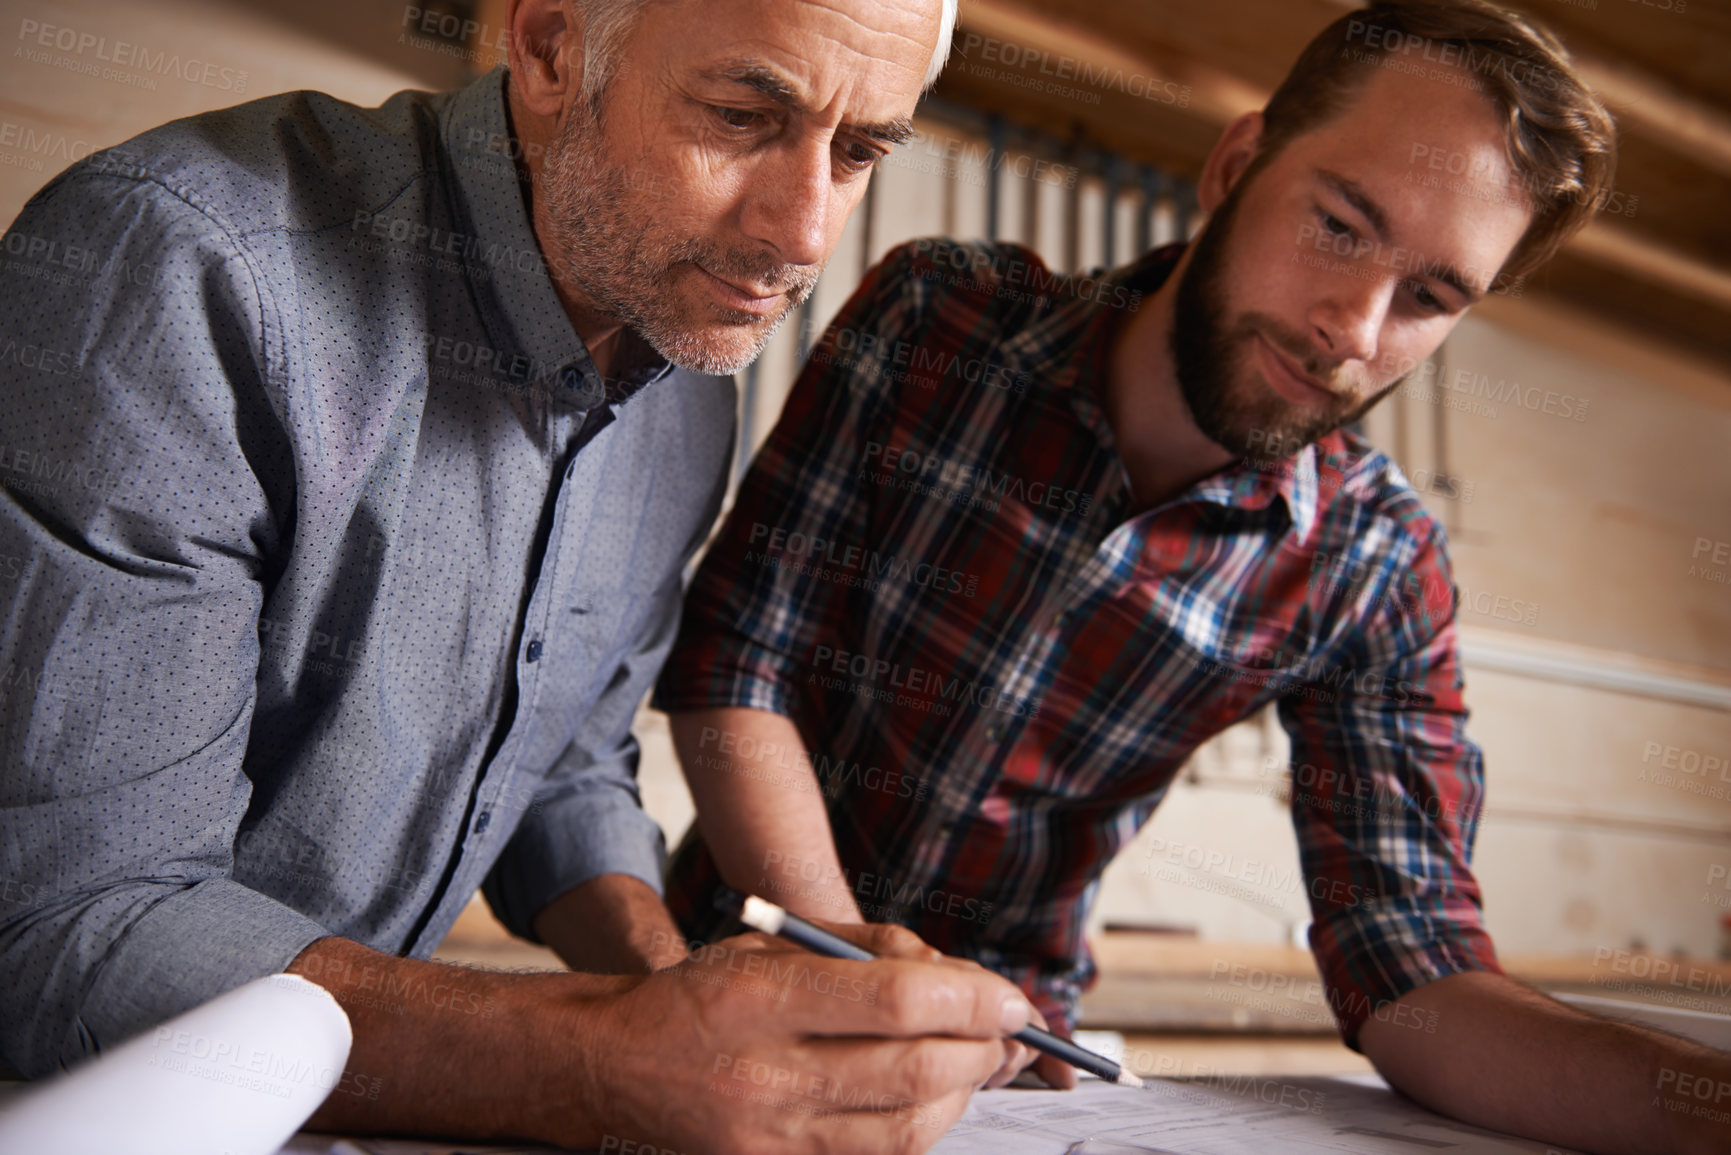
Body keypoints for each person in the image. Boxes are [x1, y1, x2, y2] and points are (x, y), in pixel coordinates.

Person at [655, 2, 1731, 1151]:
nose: (1352, 330)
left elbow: (1411, 963)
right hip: (720, 974)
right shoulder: (939, 318)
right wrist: (842, 963)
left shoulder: (1373, 564)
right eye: (1337, 224)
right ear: (1236, 165)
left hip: (1008, 1068)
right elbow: (737, 664)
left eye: (1430, 298)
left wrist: (1702, 1107)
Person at [0, 0, 1047, 1151]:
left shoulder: (687, 389)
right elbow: (67, 924)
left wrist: (674, 993)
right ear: (550, 47)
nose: (804, 233)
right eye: (746, 116)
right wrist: (607, 1061)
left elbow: (564, 771)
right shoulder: (185, 270)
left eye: (859, 153)